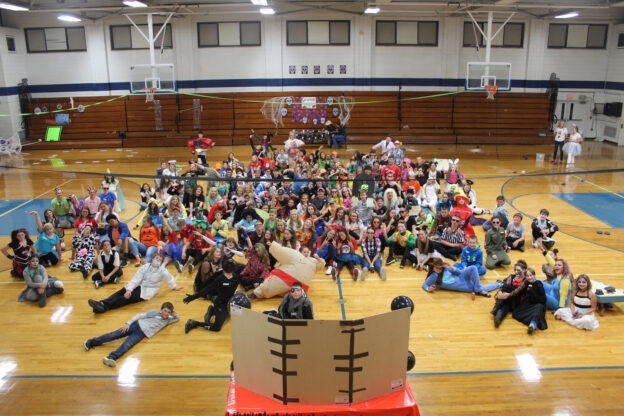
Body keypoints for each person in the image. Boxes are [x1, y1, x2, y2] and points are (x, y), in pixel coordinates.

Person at [84, 302, 179, 367]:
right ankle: (91, 342)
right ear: (161, 310)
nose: (166, 313)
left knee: (127, 345)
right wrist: (128, 323)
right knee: (114, 335)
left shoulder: (168, 320)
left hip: (141, 334)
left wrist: (173, 313)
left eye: (169, 312)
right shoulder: (154, 312)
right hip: (135, 325)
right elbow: (140, 315)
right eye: (165, 311)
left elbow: (177, 318)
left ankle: (111, 358)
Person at [87, 253, 183, 313]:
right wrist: (129, 289)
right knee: (121, 291)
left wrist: (174, 286)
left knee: (125, 298)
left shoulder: (162, 271)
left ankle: (103, 307)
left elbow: (169, 279)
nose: (157, 260)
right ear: (152, 259)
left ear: (161, 263)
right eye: (156, 258)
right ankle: (101, 304)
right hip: (138, 285)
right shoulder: (145, 267)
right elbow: (136, 278)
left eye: (159, 260)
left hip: (148, 290)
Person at [184, 260, 259, 333]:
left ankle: (212, 310)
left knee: (232, 315)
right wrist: (192, 297)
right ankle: (193, 323)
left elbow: (247, 281)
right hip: (220, 305)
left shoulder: (236, 277)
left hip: (230, 303)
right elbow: (206, 289)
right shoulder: (220, 279)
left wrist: (261, 279)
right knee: (216, 328)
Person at [498, 268, 548, 334]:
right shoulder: (526, 283)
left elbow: (543, 299)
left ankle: (533, 324)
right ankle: (530, 321)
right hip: (528, 303)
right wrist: (507, 294)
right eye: (527, 276)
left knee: (538, 309)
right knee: (516, 313)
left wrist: (532, 292)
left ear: (534, 275)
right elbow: (519, 291)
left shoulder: (539, 284)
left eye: (531, 275)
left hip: (537, 304)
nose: (529, 277)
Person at [422, 258, 501, 296]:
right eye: (437, 268)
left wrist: (451, 267)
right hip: (461, 285)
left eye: (440, 267)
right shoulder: (433, 276)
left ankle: (478, 289)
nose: (439, 269)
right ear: (433, 267)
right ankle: (499, 284)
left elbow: (459, 272)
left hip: (461, 276)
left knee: (473, 268)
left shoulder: (445, 269)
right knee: (481, 288)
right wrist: (428, 289)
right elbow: (424, 284)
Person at [491, 260, 527, 328]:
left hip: (518, 302)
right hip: (509, 300)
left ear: (524, 270)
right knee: (506, 306)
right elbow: (504, 286)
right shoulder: (512, 277)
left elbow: (518, 290)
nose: (516, 272)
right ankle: (498, 317)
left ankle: (496, 307)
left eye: (518, 270)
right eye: (515, 270)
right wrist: (500, 292)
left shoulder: (525, 280)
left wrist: (507, 295)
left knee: (509, 288)